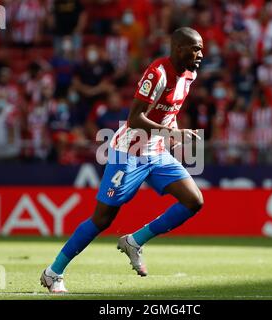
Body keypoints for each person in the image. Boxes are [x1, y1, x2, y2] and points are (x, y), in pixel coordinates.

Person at [40, 27, 205, 293]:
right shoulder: (157, 73)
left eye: (201, 47)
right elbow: (135, 119)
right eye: (195, 48)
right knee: (103, 219)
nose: (200, 53)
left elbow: (168, 110)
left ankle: (135, 241)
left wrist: (170, 132)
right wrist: (173, 132)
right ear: (178, 48)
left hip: (157, 151)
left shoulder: (190, 74)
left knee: (194, 201)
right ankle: (53, 272)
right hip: (128, 151)